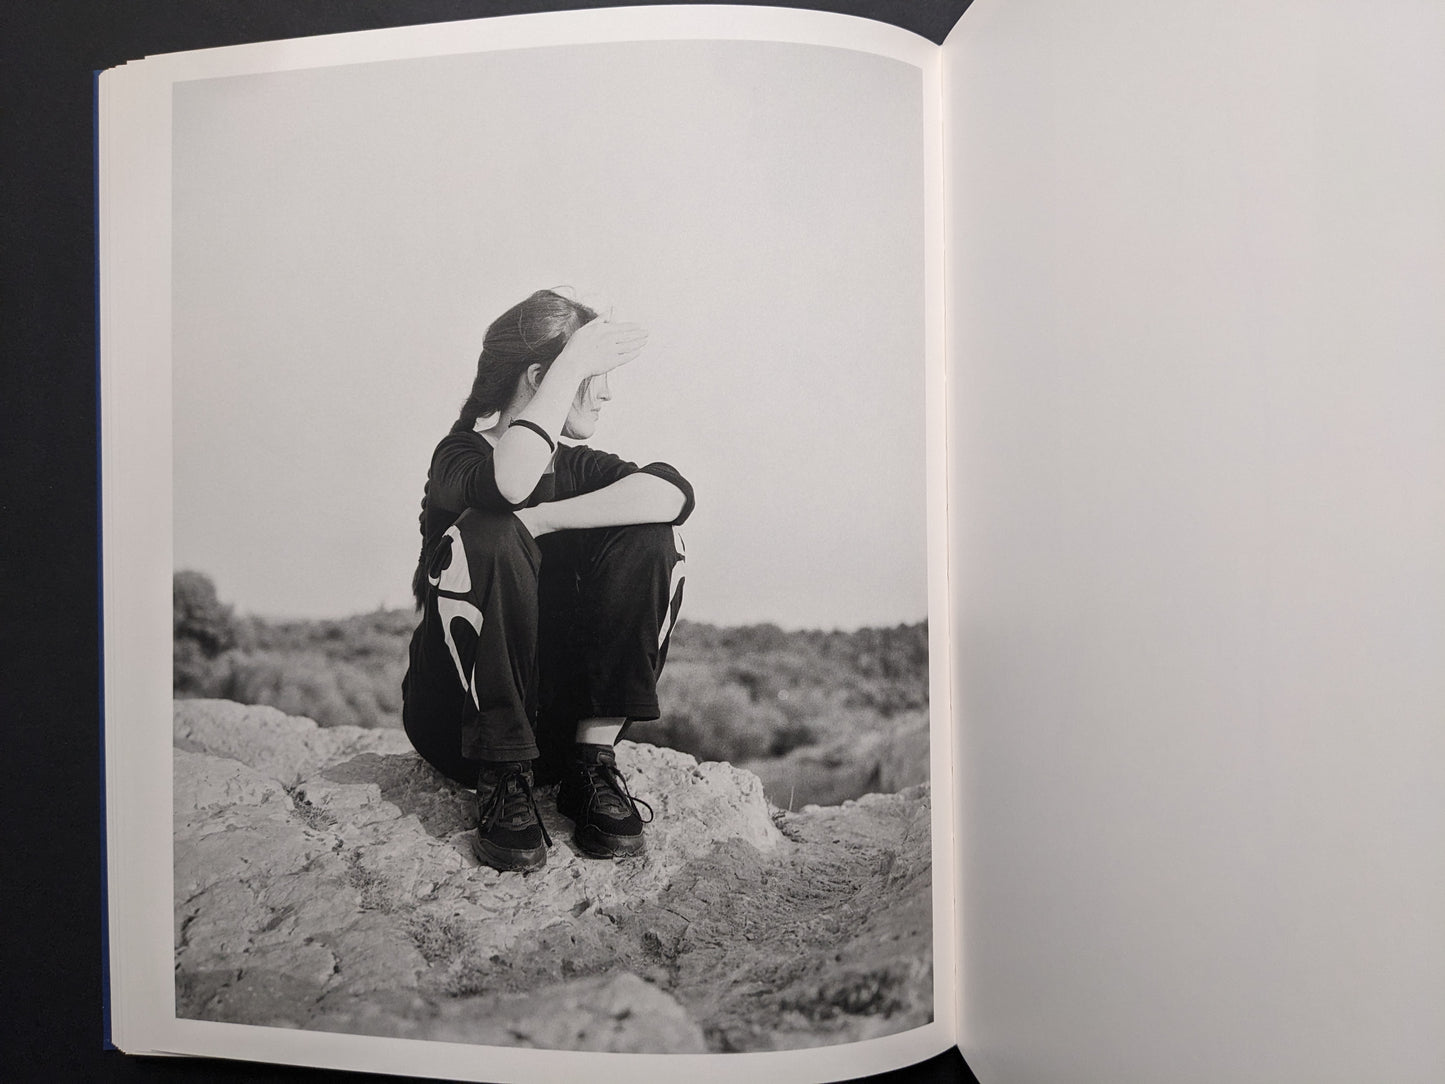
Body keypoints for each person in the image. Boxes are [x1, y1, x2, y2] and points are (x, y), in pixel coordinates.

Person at [402, 289, 692, 874]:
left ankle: (592, 762)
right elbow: (507, 485)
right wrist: (570, 367)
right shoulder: (457, 457)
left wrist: (545, 519)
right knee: (490, 529)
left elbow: (673, 492)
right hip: (458, 731)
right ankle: (502, 778)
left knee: (651, 532)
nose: (606, 392)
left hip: (555, 742)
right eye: (594, 376)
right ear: (543, 376)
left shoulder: (576, 467)